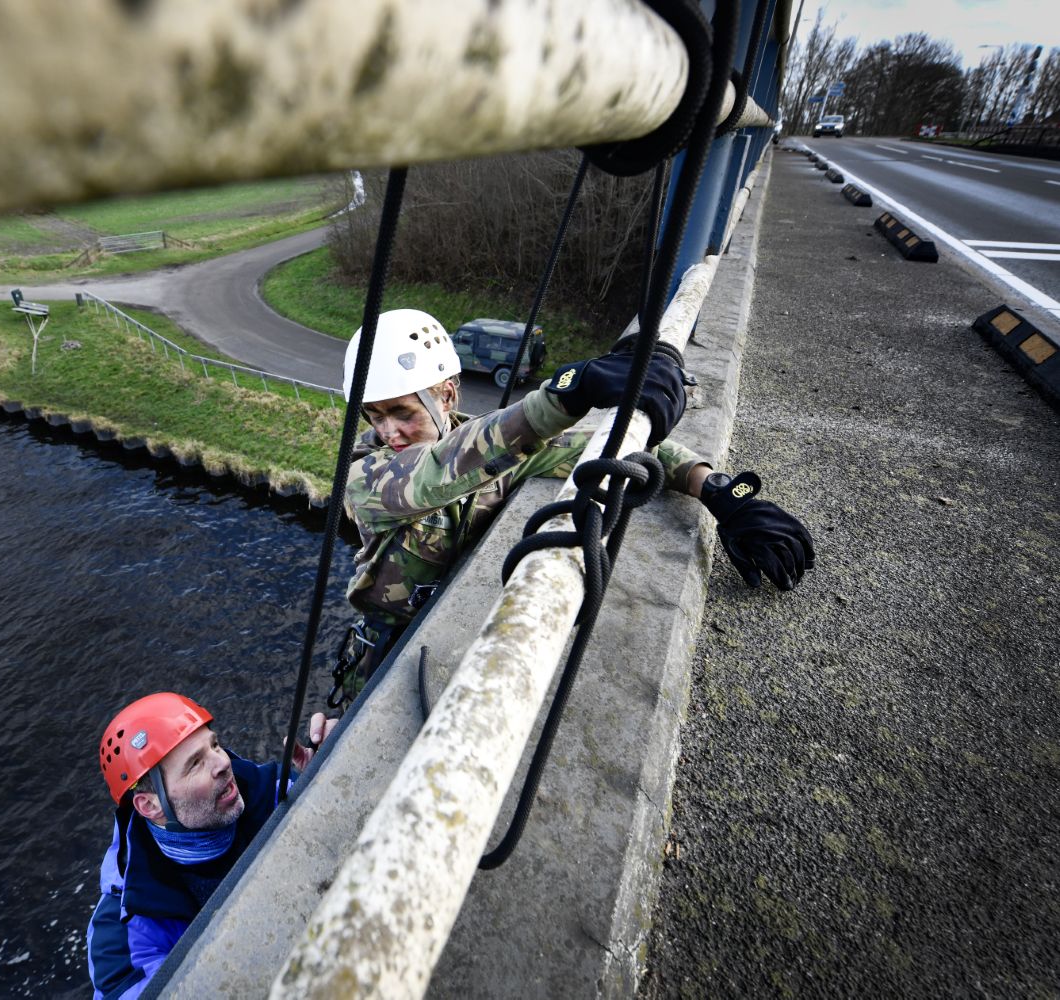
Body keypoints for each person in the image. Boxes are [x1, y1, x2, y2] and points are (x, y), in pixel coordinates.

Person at [331, 309, 814, 705]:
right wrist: (566, 393)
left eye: (402, 413)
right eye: (374, 415)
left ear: (448, 393)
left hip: (445, 636)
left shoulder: (495, 444)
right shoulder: (363, 475)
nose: (387, 432)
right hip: (383, 651)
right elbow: (433, 475)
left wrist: (721, 492)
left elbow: (606, 445)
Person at [86, 692, 334, 999]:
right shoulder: (121, 932)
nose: (222, 762)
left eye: (214, 745)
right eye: (194, 764)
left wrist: (329, 775)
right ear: (149, 805)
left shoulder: (265, 791)